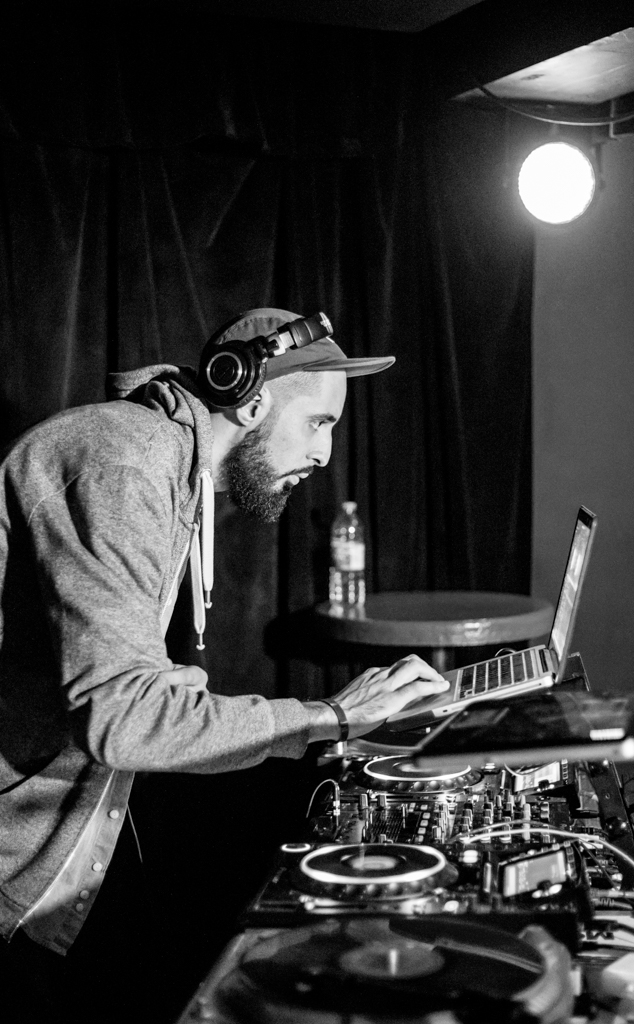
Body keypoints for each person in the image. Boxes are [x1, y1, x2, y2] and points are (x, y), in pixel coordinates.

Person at [0, 308, 448, 1023]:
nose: (326, 455)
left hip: (58, 844)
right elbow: (124, 721)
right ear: (250, 396)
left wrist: (166, 698)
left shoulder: (167, 466)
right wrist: (330, 717)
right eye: (319, 423)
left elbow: (126, 700)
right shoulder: (122, 465)